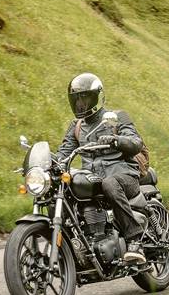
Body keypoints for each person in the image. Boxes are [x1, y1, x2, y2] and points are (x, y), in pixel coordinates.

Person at [56, 73, 147, 264]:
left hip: (124, 176)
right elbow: (64, 153)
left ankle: (135, 240)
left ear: (97, 97)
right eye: (76, 99)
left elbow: (136, 142)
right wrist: (46, 163)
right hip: (94, 179)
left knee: (109, 183)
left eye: (84, 98)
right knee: (62, 189)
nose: (80, 104)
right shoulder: (76, 126)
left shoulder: (117, 117)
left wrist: (116, 140)